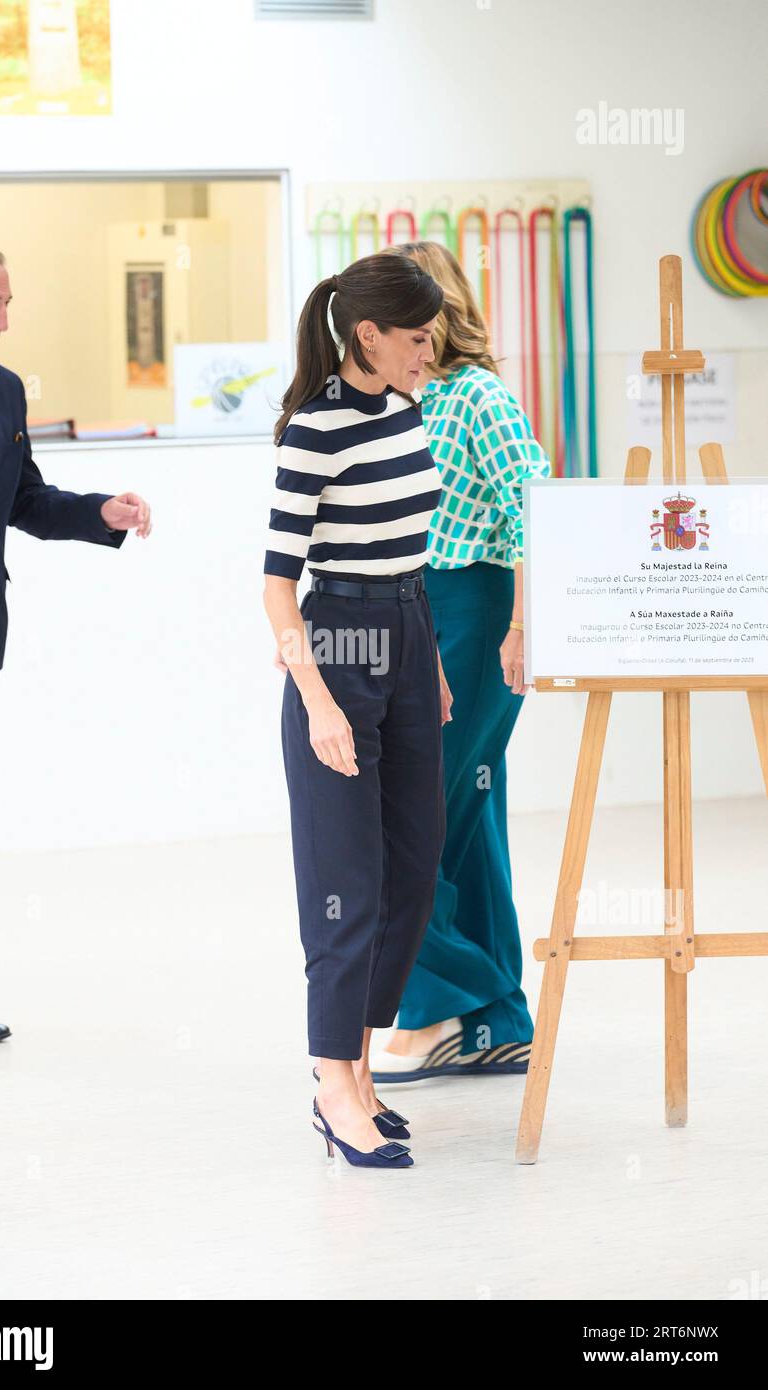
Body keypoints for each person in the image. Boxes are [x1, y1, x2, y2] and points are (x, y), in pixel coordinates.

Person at [0, 236, 152, 1075]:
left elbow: (26, 501)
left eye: (7, 306)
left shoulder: (2, 392)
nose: (4, 323)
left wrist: (99, 514)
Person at [263, 252, 449, 1168]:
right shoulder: (313, 434)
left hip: (412, 635)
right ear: (368, 336)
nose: (430, 351)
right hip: (336, 646)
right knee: (348, 883)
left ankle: (362, 1069)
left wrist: (433, 664)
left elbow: (408, 553)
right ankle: (334, 1084)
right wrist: (317, 703)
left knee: (414, 868)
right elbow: (275, 591)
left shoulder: (409, 413)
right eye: (418, 338)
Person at [370, 240, 550, 1085]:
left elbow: (535, 508)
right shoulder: (404, 398)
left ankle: (458, 999)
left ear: (436, 310)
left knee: (411, 821)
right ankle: (497, 1022)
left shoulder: (478, 397)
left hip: (478, 616)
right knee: (466, 827)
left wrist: (522, 623)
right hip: (420, 614)